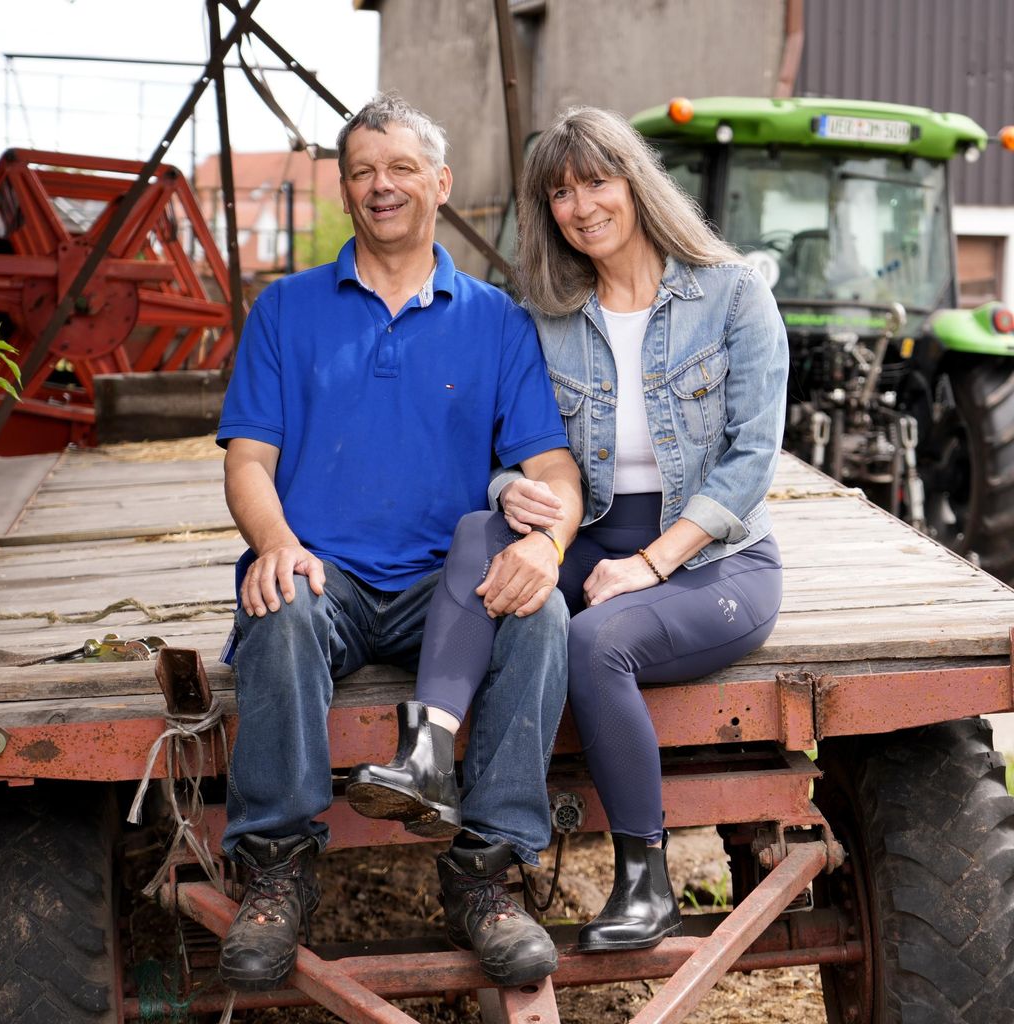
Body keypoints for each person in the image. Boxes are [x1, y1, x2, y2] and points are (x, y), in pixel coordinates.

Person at [358, 105, 788, 953]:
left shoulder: (732, 294)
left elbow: (751, 461)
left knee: (597, 643)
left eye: (596, 181)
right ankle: (430, 755)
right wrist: (515, 490)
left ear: (636, 183)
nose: (581, 205)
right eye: (559, 192)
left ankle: (646, 880)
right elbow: (503, 445)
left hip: (715, 559)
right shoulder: (548, 315)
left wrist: (652, 565)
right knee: (482, 531)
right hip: (590, 534)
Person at [215, 93, 582, 993]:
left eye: (402, 169)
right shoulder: (286, 310)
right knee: (282, 605)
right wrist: (273, 542)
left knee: (540, 616)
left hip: (442, 591)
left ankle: (486, 877)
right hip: (324, 572)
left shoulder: (495, 319)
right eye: (364, 172)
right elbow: (248, 461)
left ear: (440, 184)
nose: (383, 187)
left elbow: (556, 472)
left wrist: (550, 547)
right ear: (345, 189)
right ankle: (277, 872)